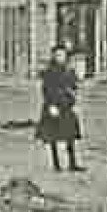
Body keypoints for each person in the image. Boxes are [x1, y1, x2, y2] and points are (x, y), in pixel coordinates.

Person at [36, 44, 84, 172]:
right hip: (54, 105)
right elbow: (46, 90)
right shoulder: (49, 71)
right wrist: (51, 105)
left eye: (63, 55)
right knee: (53, 136)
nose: (61, 57)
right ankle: (56, 164)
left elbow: (74, 86)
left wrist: (74, 101)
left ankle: (72, 163)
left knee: (70, 135)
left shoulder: (69, 70)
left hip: (67, 106)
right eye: (58, 55)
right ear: (54, 56)